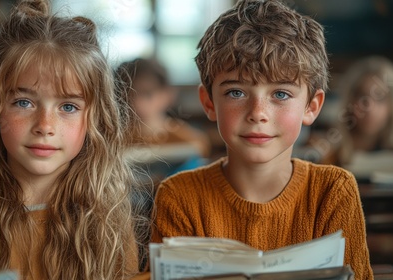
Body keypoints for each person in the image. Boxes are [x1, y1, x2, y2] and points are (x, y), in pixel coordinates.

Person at [0, 0, 144, 279]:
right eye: (23, 102)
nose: (45, 126)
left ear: (94, 118)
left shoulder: (110, 222)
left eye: (68, 107)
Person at [151, 0, 373, 279]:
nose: (258, 114)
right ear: (209, 103)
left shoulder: (333, 191)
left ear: (311, 107)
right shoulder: (179, 196)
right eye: (236, 93)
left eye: (280, 94)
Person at [116, 58, 211, 158]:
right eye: (128, 96)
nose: (137, 103)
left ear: (168, 94)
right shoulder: (115, 140)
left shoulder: (187, 138)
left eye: (147, 94)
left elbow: (202, 147)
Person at [321, 56, 393, 167]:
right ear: (349, 100)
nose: (370, 107)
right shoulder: (327, 148)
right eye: (362, 96)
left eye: (380, 98)